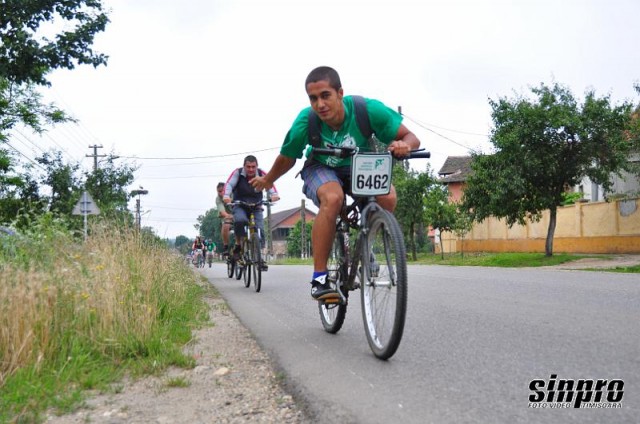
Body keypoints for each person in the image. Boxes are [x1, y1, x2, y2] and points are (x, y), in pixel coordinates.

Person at [251, 66, 421, 301]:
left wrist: (405, 146)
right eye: (313, 98)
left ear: (340, 93)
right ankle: (319, 279)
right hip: (321, 167)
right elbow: (287, 157)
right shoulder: (306, 120)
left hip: (359, 165)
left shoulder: (367, 110)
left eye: (325, 95)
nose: (319, 104)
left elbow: (410, 136)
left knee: (388, 197)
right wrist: (268, 180)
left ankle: (365, 247)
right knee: (333, 198)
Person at [223, 155, 280, 270]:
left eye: (253, 167)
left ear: (256, 166)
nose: (251, 169)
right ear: (244, 166)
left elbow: (270, 185)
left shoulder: (262, 173)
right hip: (240, 204)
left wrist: (274, 195)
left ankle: (259, 257)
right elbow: (229, 184)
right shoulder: (238, 173)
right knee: (240, 220)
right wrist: (226, 196)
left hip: (256, 204)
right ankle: (239, 245)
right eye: (248, 166)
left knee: (260, 229)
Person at [215, 182, 234, 256]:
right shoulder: (218, 199)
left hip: (238, 213)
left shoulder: (233, 193)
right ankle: (226, 246)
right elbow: (222, 212)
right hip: (227, 215)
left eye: (223, 191)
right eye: (219, 191)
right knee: (226, 224)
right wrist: (230, 216)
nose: (221, 193)